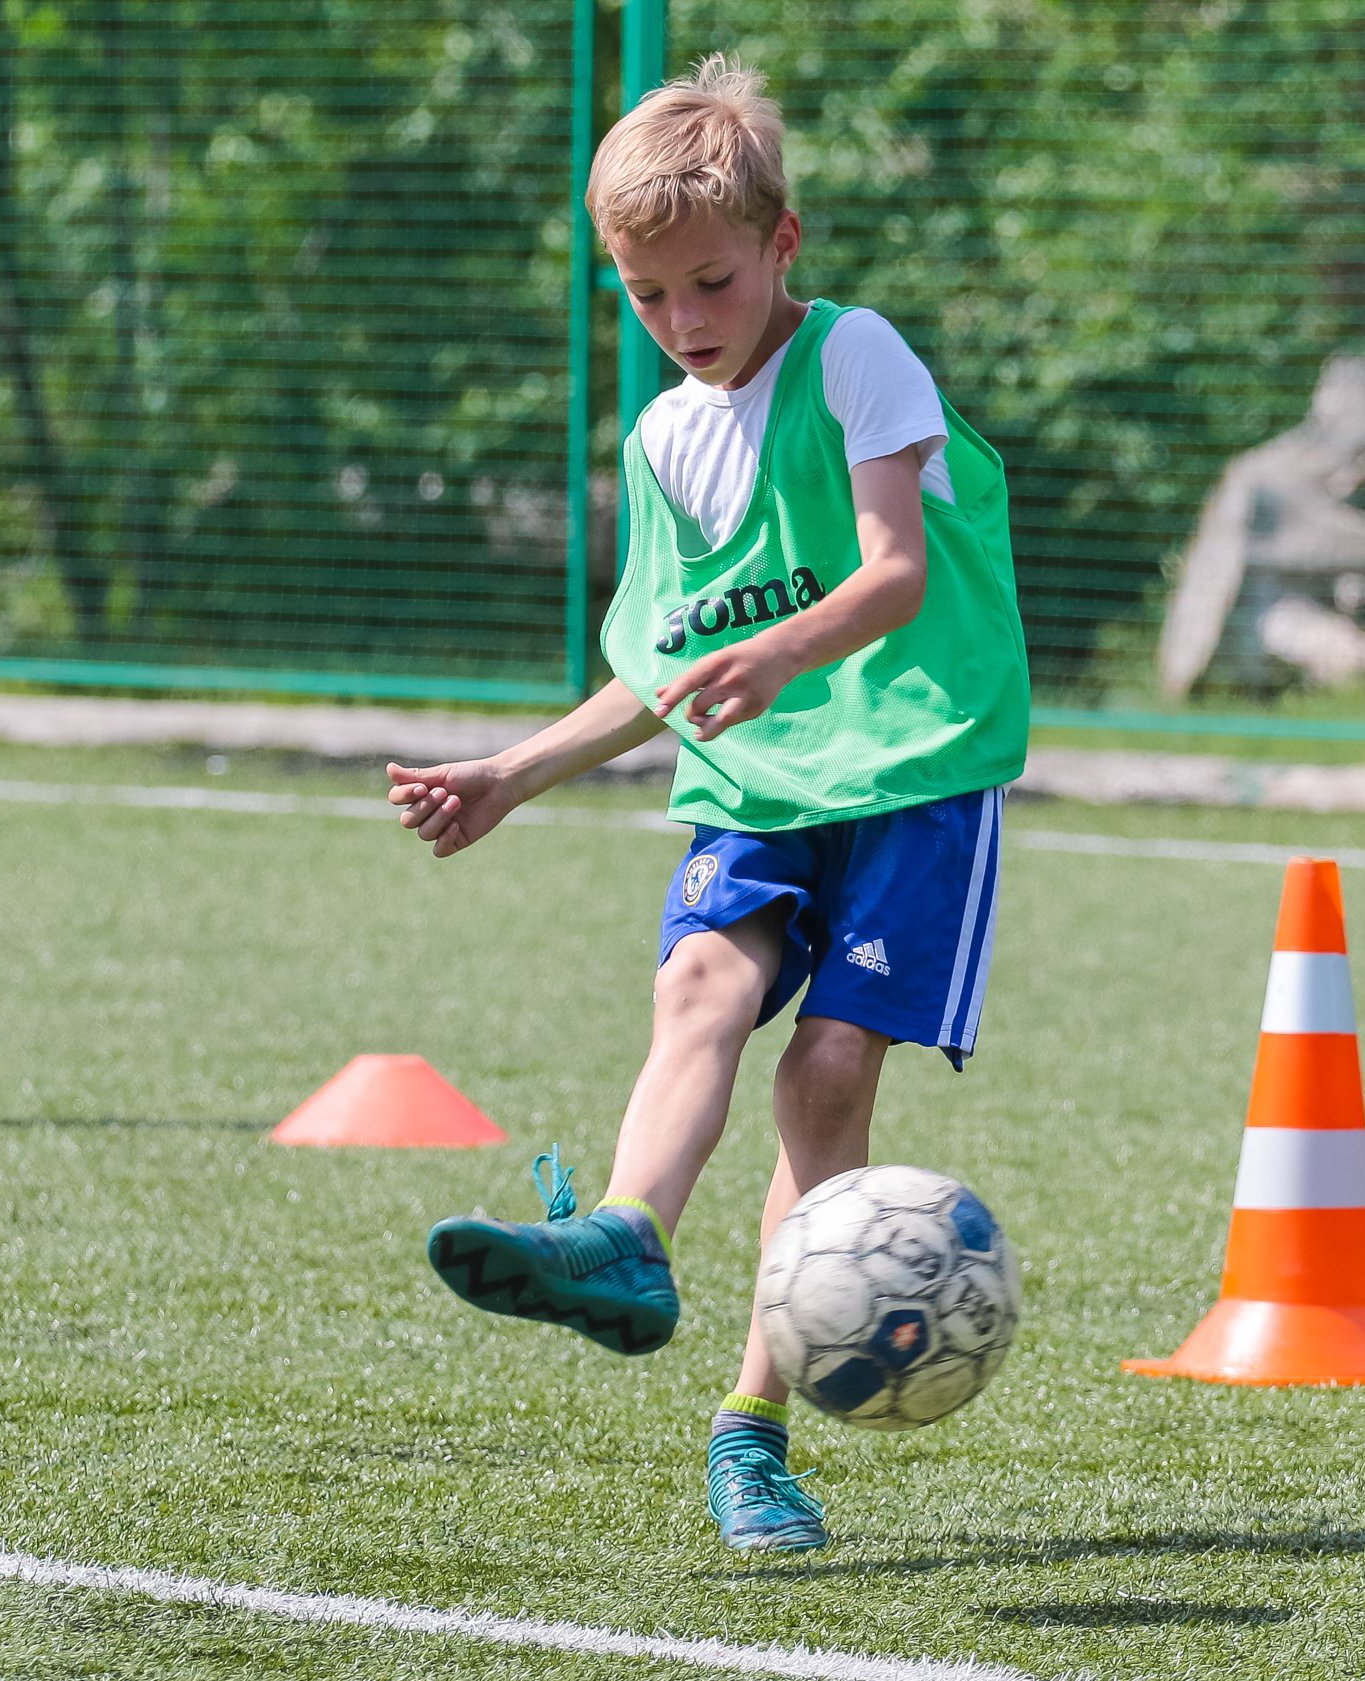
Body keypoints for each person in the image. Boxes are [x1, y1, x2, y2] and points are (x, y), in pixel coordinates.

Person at [387, 57, 1029, 1554]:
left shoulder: (859, 354)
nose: (686, 322)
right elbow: (664, 672)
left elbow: (894, 572)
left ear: (783, 247)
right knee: (696, 981)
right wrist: (513, 775)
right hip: (761, 769)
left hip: (919, 770)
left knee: (824, 1078)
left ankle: (753, 1430)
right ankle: (625, 1240)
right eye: (648, 296)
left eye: (712, 283)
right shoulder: (667, 437)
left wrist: (781, 650)